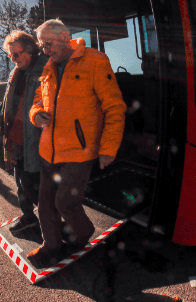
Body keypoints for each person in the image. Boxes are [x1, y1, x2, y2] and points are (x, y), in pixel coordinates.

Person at [26, 19, 126, 264]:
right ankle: (50, 245)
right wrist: (36, 115)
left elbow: (114, 107)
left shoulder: (95, 60)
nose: (46, 50)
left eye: (48, 44)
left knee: (65, 202)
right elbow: (37, 101)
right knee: (45, 202)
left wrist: (108, 148)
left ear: (64, 37)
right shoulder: (49, 67)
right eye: (42, 46)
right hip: (48, 149)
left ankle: (82, 234)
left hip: (79, 150)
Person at [0, 31, 48, 235]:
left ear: (30, 50)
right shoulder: (16, 73)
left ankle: (51, 224)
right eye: (10, 55)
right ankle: (29, 218)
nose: (13, 59)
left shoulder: (44, 69)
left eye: (16, 54)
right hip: (15, 138)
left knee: (35, 185)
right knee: (20, 182)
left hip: (35, 138)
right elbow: (7, 102)